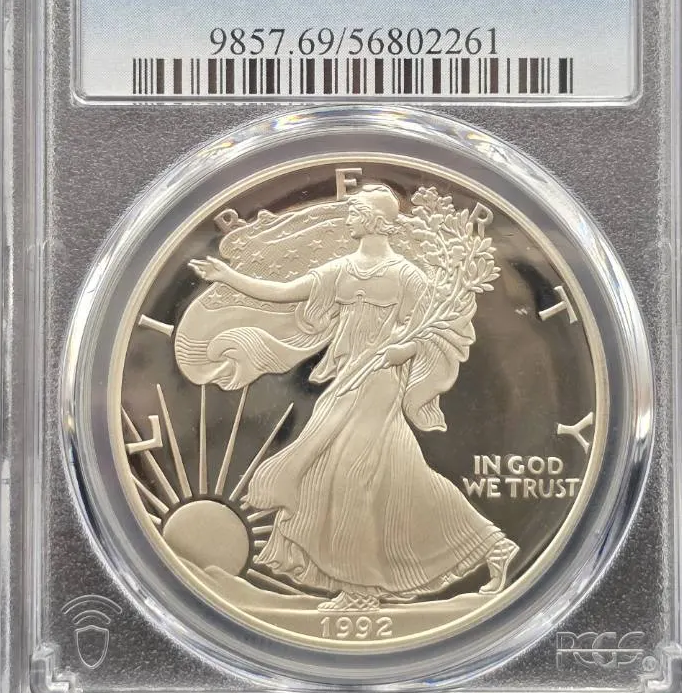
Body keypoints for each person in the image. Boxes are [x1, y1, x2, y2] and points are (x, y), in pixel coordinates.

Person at [188, 184, 517, 611]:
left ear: (376, 221)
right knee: (397, 475)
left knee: (350, 474)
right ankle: (491, 545)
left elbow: (440, 329)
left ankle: (361, 590)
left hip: (381, 380)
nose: (348, 215)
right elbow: (285, 292)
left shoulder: (407, 276)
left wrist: (404, 350)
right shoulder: (341, 269)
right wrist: (229, 277)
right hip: (347, 379)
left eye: (356, 210)